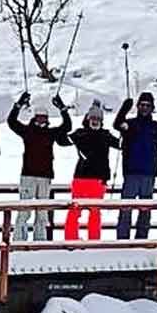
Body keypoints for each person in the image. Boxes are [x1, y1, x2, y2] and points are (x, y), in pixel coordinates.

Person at [7, 90, 73, 242]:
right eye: (39, 117)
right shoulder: (27, 131)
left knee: (42, 211)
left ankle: (40, 241)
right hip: (28, 175)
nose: (42, 120)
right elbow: (11, 122)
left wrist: (62, 108)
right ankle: (19, 240)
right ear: (34, 117)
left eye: (44, 118)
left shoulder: (51, 133)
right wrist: (18, 104)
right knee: (24, 210)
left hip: (45, 176)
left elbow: (67, 126)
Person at [113, 91, 157, 240]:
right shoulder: (130, 124)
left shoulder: (155, 127)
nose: (144, 108)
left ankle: (142, 239)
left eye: (148, 105)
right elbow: (117, 124)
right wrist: (124, 108)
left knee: (145, 209)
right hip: (131, 172)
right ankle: (122, 239)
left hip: (149, 173)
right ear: (138, 106)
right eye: (142, 105)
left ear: (152, 107)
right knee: (126, 208)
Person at [65, 100, 119, 242]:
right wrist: (64, 115)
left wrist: (123, 127)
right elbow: (62, 140)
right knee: (74, 211)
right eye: (93, 118)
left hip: (98, 181)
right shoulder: (80, 133)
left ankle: (94, 241)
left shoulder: (106, 135)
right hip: (80, 179)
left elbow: (121, 144)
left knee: (95, 213)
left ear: (102, 121)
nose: (95, 121)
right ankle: (71, 239)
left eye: (98, 119)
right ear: (88, 119)